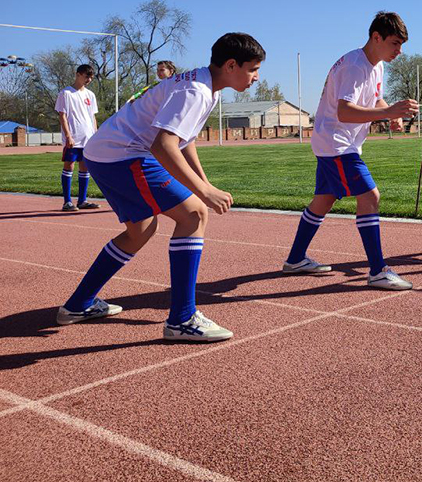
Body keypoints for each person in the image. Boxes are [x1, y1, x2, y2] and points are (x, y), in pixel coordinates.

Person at [55, 33, 266, 342]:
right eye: (253, 69)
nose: (257, 77)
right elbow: (163, 145)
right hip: (123, 154)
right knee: (193, 214)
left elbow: (185, 141)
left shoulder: (208, 88)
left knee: (140, 231)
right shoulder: (196, 90)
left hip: (107, 153)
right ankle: (182, 318)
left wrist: (204, 183)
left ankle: (78, 305)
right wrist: (203, 194)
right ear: (231, 65)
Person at [283, 11, 419, 289]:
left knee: (324, 200)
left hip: (335, 141)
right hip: (337, 143)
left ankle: (296, 259)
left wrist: (390, 112)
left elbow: (375, 98)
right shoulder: (355, 66)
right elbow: (344, 111)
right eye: (395, 43)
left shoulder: (376, 64)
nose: (399, 51)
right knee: (370, 195)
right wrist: (388, 111)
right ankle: (378, 270)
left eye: (401, 45)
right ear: (376, 37)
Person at [55, 64, 100, 211]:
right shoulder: (66, 93)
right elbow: (62, 115)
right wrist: (68, 136)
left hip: (88, 138)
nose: (89, 79)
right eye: (87, 76)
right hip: (74, 137)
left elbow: (92, 116)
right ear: (78, 74)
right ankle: (67, 202)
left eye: (91, 77)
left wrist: (95, 134)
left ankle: (82, 200)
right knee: (69, 166)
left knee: (85, 168)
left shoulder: (90, 95)